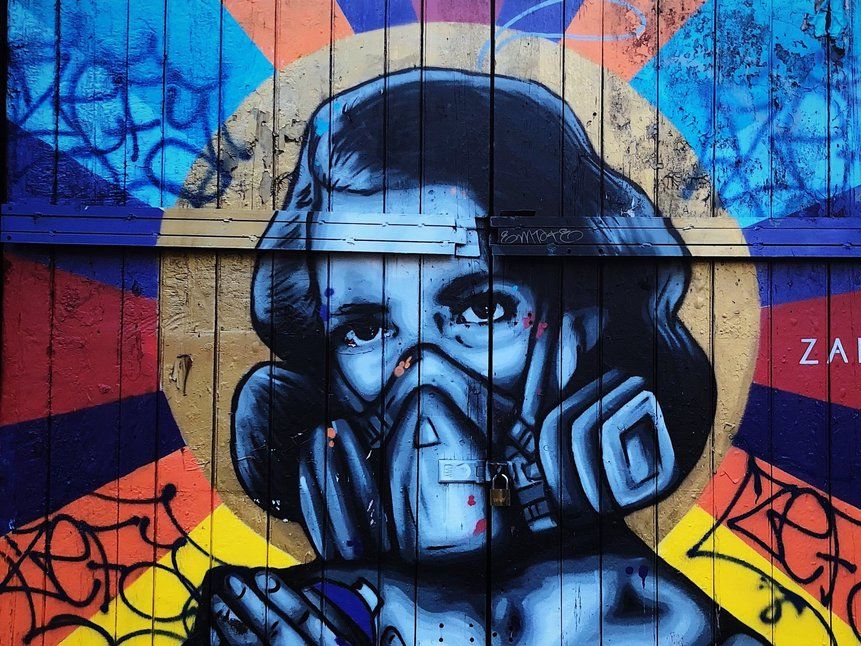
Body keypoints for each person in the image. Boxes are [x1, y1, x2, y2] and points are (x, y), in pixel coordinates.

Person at [188, 68, 741, 645]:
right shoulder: (277, 623)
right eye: (365, 329)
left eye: (482, 309)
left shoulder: (686, 630)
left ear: (581, 326)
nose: (423, 384)